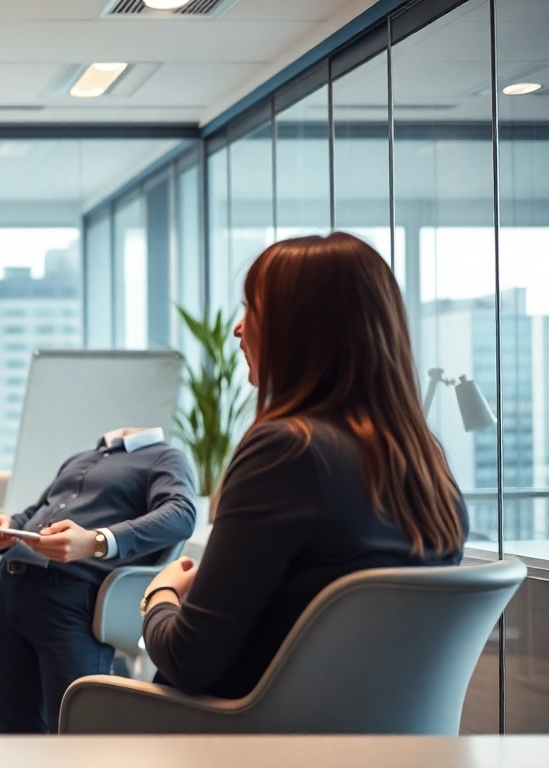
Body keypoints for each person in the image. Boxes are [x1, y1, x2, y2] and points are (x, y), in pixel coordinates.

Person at [140, 232, 469, 700]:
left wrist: (160, 595)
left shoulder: (286, 453)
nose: (237, 329)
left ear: (297, 328)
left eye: (250, 309)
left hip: (247, 739)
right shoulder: (428, 470)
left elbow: (190, 660)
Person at [0, 426, 195, 734]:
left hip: (66, 597)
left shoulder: (165, 458)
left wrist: (97, 541)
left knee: (77, 738)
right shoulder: (80, 458)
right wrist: (9, 526)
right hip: (2, 589)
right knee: (9, 735)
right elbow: (37, 513)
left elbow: (182, 514)